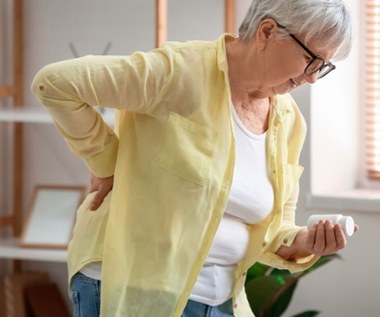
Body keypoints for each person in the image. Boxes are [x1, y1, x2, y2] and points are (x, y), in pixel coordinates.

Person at [32, 0, 358, 316]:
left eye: (324, 67)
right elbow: (55, 84)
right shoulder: (181, 71)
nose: (313, 77)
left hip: (221, 301)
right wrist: (105, 164)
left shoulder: (289, 121)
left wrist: (306, 242)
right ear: (267, 32)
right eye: (312, 59)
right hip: (134, 288)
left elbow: (274, 232)